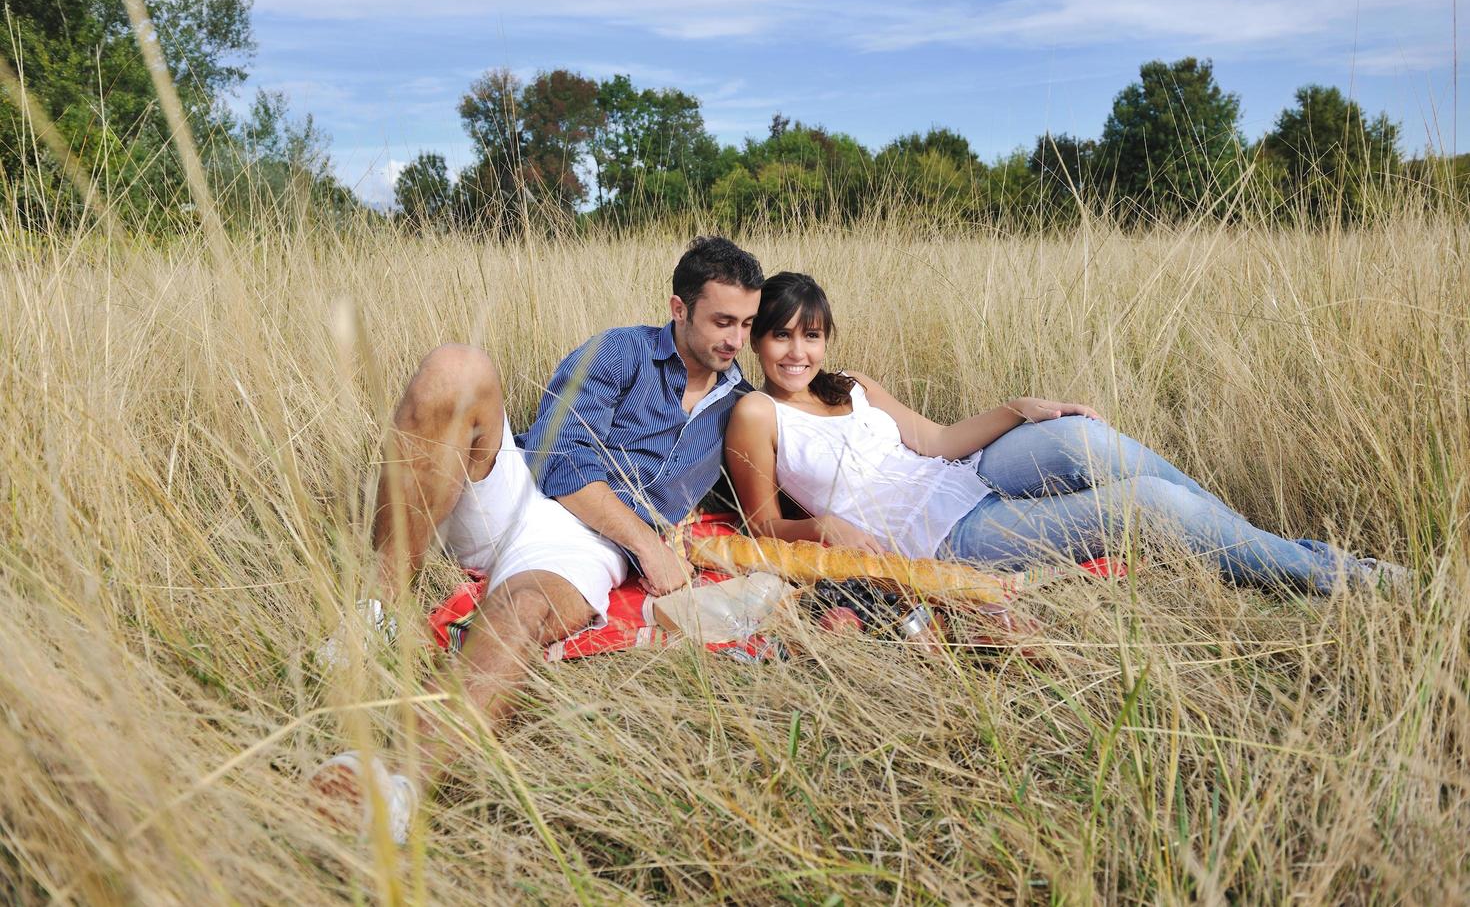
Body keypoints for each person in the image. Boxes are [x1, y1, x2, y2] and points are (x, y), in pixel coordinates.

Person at [312, 237, 764, 843]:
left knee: (524, 607)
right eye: (722, 321)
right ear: (679, 309)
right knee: (456, 365)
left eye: (747, 324)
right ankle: (376, 610)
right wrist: (651, 546)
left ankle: (398, 787)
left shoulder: (740, 404)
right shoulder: (618, 351)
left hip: (583, 549)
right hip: (521, 489)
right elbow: (561, 459)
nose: (735, 341)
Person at [724, 271, 1407, 599]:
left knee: (1083, 438)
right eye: (780, 335)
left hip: (969, 476)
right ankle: (1333, 576)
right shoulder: (758, 414)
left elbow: (935, 441)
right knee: (1146, 505)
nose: (796, 352)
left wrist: (1018, 409)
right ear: (757, 338)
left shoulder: (854, 384)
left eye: (810, 335)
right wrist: (825, 530)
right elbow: (760, 527)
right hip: (946, 534)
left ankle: (1263, 547)